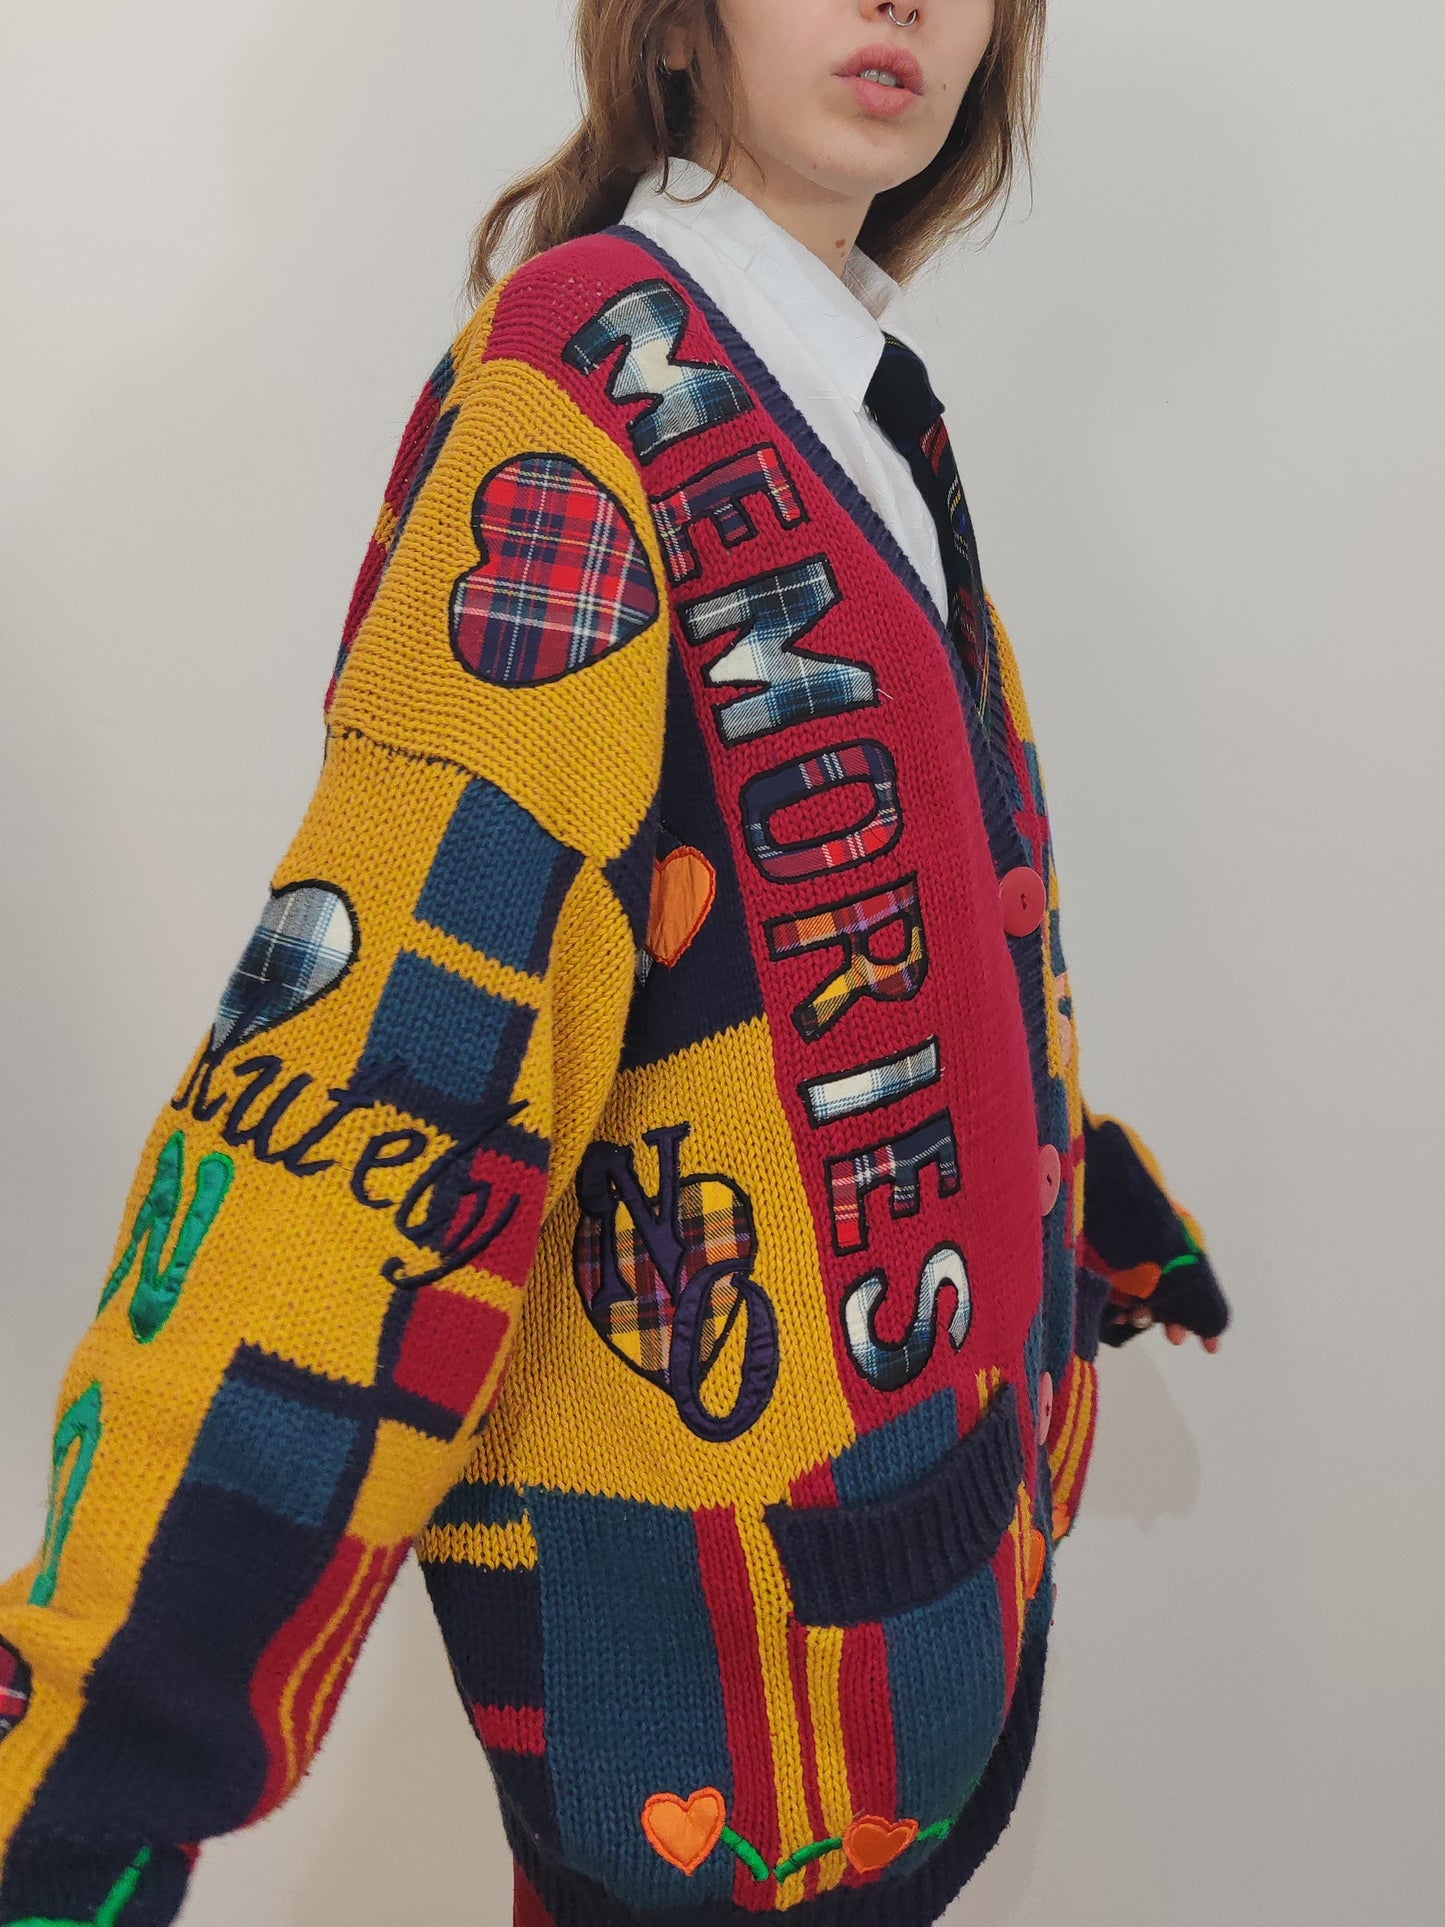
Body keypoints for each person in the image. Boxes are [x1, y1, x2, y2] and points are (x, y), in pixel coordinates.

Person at [0, 3, 1229, 1923]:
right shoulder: (583, 409)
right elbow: (386, 1084)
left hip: (905, 1621)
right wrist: (95, 1761)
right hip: (716, 1693)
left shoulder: (846, 392)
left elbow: (866, 916)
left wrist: (1069, 1201)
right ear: (674, 20)